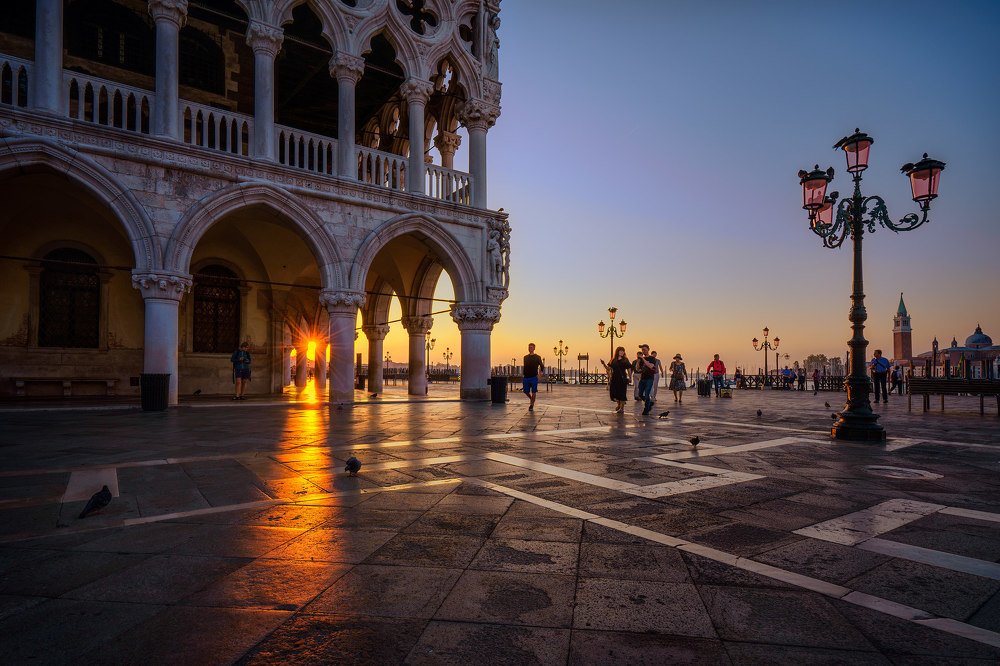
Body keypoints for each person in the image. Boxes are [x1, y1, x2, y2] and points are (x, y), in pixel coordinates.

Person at [604, 346, 632, 413]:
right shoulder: (613, 360)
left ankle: (622, 408)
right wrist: (603, 364)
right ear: (617, 351)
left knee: (622, 393)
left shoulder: (625, 360)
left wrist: (630, 377)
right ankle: (619, 404)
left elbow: (629, 369)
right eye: (621, 351)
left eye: (623, 351)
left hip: (622, 378)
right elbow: (608, 369)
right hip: (614, 378)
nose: (622, 352)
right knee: (614, 393)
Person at [522, 342, 545, 411]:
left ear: (534, 348)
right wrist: (523, 374)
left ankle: (531, 405)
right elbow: (525, 367)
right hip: (526, 377)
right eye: (529, 347)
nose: (530, 348)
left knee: (534, 391)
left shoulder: (537, 357)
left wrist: (540, 372)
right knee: (525, 391)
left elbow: (542, 365)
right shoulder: (525, 357)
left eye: (531, 347)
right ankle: (532, 399)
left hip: (534, 377)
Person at [636, 344, 657, 415]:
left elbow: (650, 366)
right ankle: (649, 403)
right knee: (640, 394)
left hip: (649, 379)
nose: (643, 351)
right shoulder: (641, 359)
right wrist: (638, 361)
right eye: (642, 350)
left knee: (647, 393)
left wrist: (643, 358)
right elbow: (638, 369)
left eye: (644, 349)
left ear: (648, 349)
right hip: (642, 378)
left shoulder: (652, 358)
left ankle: (646, 410)